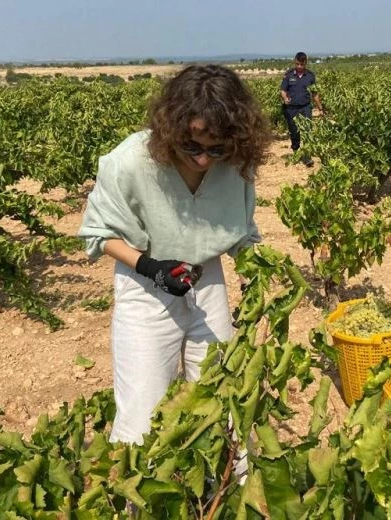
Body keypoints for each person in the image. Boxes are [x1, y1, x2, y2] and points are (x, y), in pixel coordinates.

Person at [77, 64, 270, 445]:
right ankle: (138, 498)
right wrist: (150, 266)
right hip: (145, 283)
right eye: (192, 147)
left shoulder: (234, 165)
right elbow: (100, 234)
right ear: (170, 132)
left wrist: (255, 280)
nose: (203, 160)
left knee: (220, 395)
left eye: (216, 148)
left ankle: (220, 493)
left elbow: (241, 233)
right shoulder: (131, 161)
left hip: (207, 279)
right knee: (143, 411)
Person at [280, 51, 323, 167]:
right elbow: (283, 90)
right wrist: (285, 98)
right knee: (294, 132)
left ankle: (307, 157)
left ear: (306, 64)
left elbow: (315, 93)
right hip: (291, 108)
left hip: (305, 107)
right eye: (297, 64)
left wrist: (320, 108)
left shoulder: (310, 76)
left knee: (307, 131)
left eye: (301, 65)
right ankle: (296, 151)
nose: (299, 67)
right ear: (295, 62)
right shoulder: (288, 75)